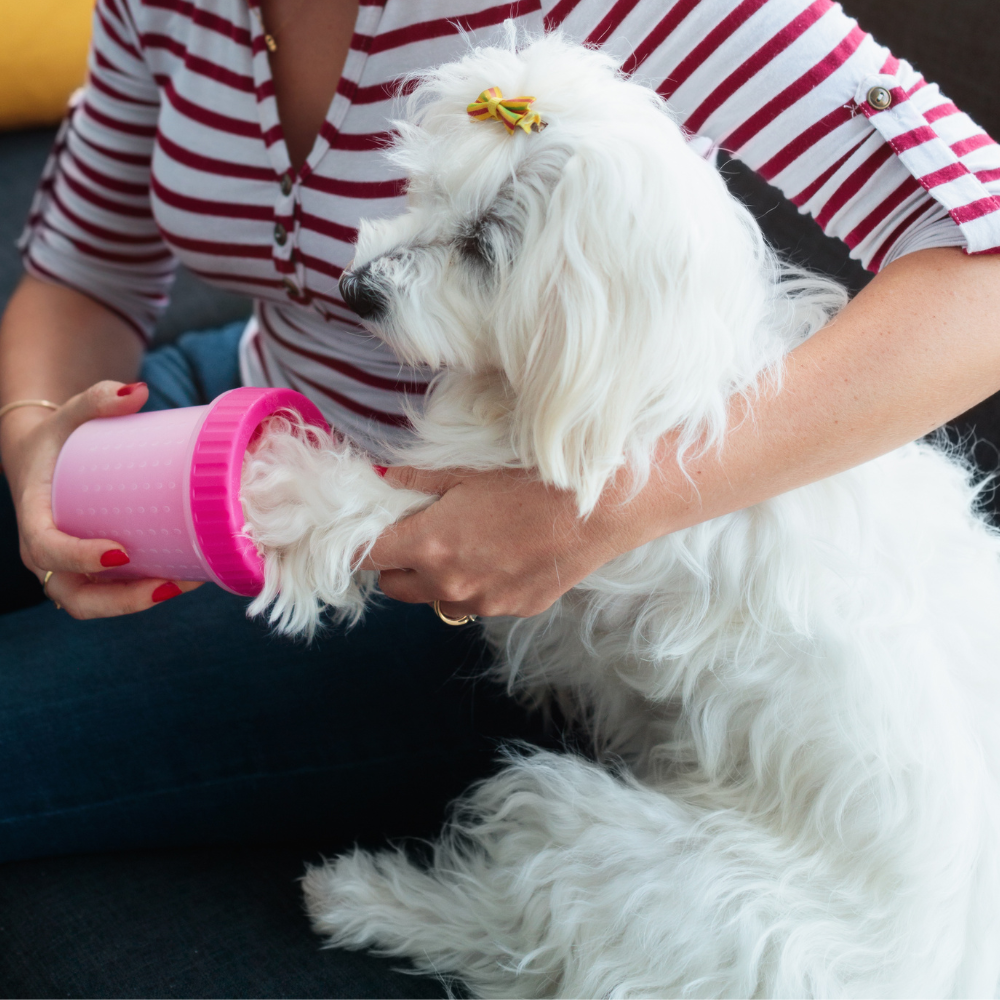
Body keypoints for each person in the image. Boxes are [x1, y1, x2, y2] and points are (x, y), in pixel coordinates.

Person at [0, 0, 998, 910]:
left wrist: (597, 513)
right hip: (238, 400)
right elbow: (85, 271)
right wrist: (37, 437)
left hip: (446, 562)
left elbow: (983, 269)